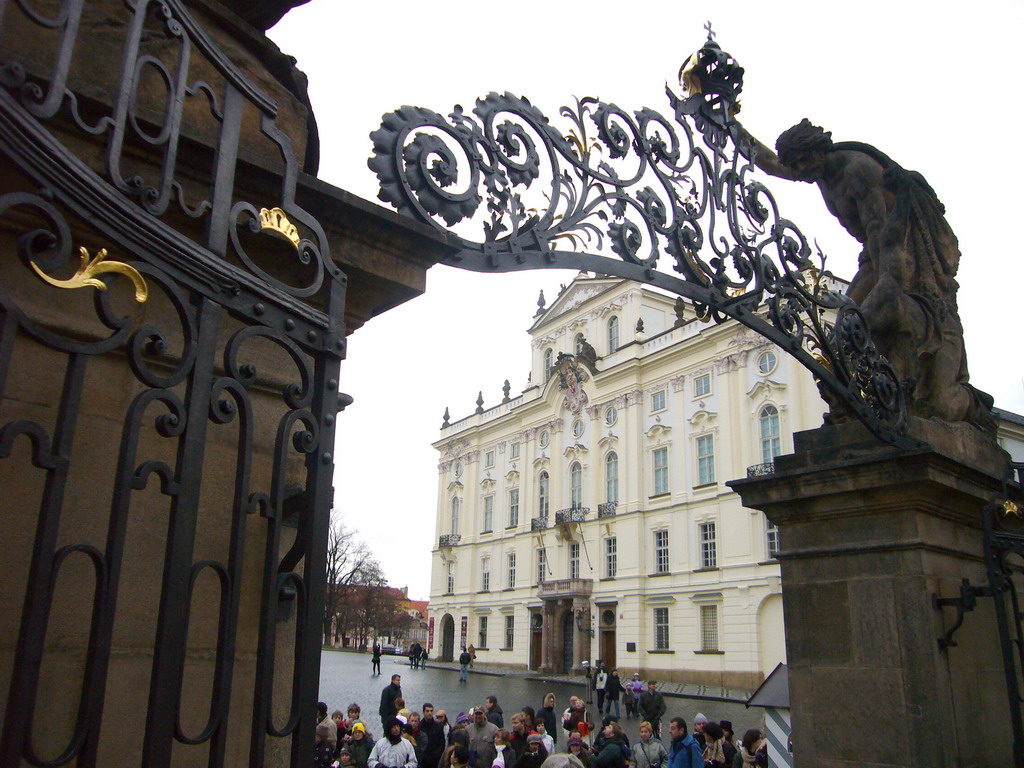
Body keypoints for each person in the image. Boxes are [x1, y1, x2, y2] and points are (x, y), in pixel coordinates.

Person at [734, 118, 993, 431]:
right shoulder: (814, 171)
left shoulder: (857, 171)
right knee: (841, 332)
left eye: (804, 161)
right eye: (797, 166)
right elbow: (772, 164)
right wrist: (726, 122)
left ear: (819, 150)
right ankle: (854, 404)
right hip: (873, 255)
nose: (800, 172)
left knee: (854, 323)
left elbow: (885, 244)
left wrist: (870, 309)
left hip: (896, 252)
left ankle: (970, 405)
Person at [421, 703, 447, 768]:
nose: (429, 713)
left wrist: (436, 755)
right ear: (423, 712)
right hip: (422, 760)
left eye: (431, 711)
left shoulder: (439, 726)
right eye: (427, 711)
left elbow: (442, 743)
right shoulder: (419, 726)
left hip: (435, 760)